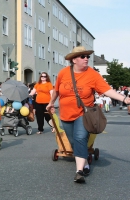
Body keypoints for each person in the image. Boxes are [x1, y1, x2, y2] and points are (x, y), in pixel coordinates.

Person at [46, 46, 130, 183]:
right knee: (73, 141)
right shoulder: (63, 73)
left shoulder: (93, 74)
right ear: (74, 60)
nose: (86, 59)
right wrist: (51, 103)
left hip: (84, 113)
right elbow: (56, 90)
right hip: (66, 114)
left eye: (87, 57)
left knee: (80, 138)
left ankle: (79, 172)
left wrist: (124, 99)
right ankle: (84, 163)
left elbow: (107, 90)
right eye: (83, 56)